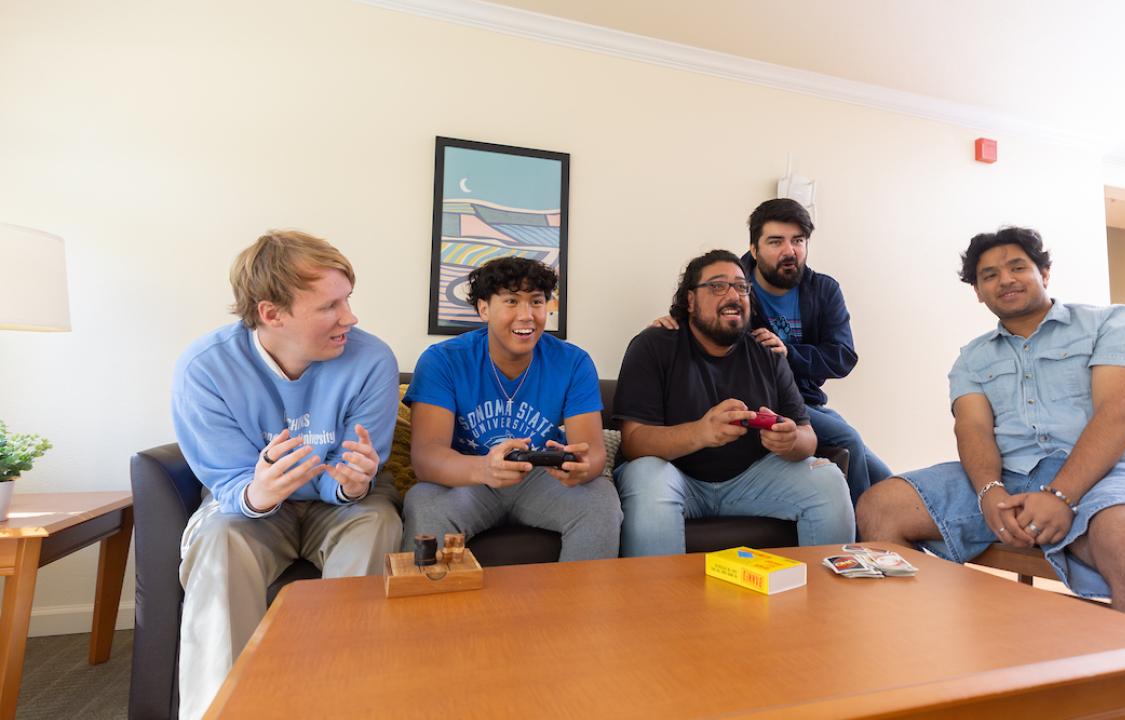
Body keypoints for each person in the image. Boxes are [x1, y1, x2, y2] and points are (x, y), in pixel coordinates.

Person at [856, 227, 1125, 719]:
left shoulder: (1111, 322)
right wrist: (988, 491)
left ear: (1044, 272)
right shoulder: (974, 356)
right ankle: (927, 674)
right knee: (881, 506)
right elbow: (973, 427)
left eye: (1017, 266)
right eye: (989, 275)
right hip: (1009, 476)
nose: (1005, 279)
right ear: (978, 292)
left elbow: (1119, 413)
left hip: (1113, 473)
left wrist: (1061, 493)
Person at [172, 230, 401, 720]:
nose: (350, 318)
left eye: (348, 300)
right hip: (249, 512)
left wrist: (351, 482)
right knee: (218, 541)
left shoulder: (373, 359)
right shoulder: (204, 369)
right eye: (330, 307)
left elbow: (356, 465)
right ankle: (220, 710)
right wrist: (258, 492)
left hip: (341, 507)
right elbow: (227, 481)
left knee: (378, 522)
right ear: (271, 313)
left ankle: (345, 704)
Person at [614, 249, 854, 556]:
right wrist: (701, 433)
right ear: (690, 300)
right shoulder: (654, 345)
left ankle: (827, 602)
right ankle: (661, 602)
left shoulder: (767, 352)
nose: (733, 294)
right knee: (647, 477)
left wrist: (791, 439)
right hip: (675, 478)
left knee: (829, 482)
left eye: (741, 287)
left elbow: (808, 437)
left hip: (752, 479)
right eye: (717, 286)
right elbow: (634, 441)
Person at [652, 198, 889, 506]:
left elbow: (842, 356)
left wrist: (789, 353)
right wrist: (669, 322)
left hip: (809, 403)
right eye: (776, 241)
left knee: (885, 476)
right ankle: (860, 542)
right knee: (849, 440)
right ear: (754, 249)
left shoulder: (824, 290)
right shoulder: (734, 287)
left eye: (798, 241)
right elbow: (700, 322)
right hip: (760, 399)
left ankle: (896, 538)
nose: (789, 251)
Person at [401, 257, 621, 559]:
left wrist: (582, 468)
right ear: (483, 309)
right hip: (468, 477)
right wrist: (484, 469)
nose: (527, 315)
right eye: (511, 301)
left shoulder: (573, 362)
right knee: (423, 501)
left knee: (600, 500)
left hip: (541, 479)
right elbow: (426, 458)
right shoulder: (443, 360)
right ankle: (426, 606)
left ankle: (579, 606)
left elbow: (593, 451)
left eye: (536, 302)